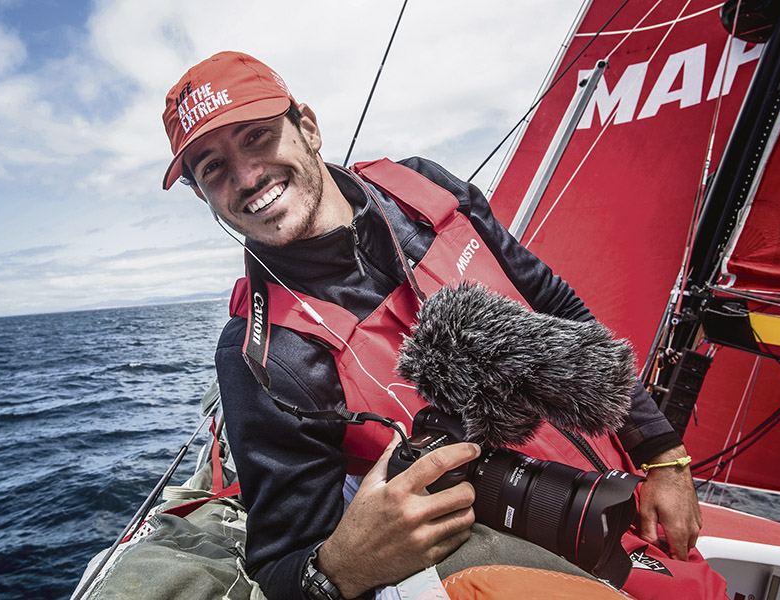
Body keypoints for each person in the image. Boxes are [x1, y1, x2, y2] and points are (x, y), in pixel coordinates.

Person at [161, 51, 720, 600]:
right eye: (213, 168)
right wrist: (339, 566)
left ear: (306, 126)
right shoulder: (261, 355)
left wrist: (663, 455)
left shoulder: (422, 190)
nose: (248, 175)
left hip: (624, 493)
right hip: (522, 573)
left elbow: (553, 304)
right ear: (202, 194)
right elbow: (282, 564)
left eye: (257, 136)